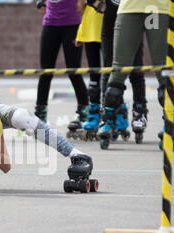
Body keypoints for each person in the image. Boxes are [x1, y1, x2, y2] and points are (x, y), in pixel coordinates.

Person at [94, 0, 174, 149]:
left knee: (163, 70)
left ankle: (172, 124)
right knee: (119, 69)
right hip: (129, 8)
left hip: (156, 8)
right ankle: (108, 121)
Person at [34, 0, 89, 129]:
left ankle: (83, 111)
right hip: (50, 23)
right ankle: (40, 113)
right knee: (45, 72)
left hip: (72, 23)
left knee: (73, 71)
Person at [100, 0, 148, 144]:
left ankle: (139, 113)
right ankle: (109, 115)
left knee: (136, 69)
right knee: (110, 71)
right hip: (110, 21)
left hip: (133, 20)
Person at [69, 0, 104, 140]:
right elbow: (83, 9)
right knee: (94, 76)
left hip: (108, 27)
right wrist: (81, 32)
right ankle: (94, 113)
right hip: (90, 28)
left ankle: (114, 113)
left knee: (110, 75)